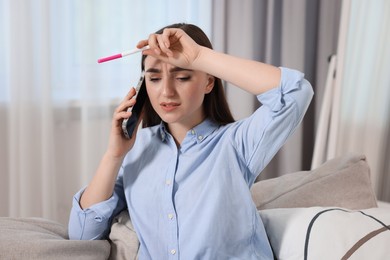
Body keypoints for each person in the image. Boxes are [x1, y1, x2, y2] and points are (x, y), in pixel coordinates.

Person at [68, 23, 313, 259]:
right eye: (154, 79)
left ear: (208, 81)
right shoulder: (137, 149)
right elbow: (82, 235)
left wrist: (197, 57)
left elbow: (295, 91)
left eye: (182, 76)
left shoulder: (235, 143)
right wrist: (113, 155)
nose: (166, 92)